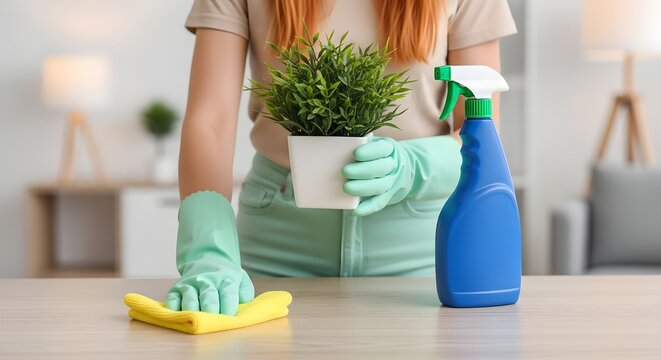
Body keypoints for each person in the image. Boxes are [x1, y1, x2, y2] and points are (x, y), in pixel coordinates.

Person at [166, 0, 516, 315]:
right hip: (274, 253)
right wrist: (208, 249)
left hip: (422, 263)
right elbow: (210, 121)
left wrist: (413, 167)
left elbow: (481, 128)